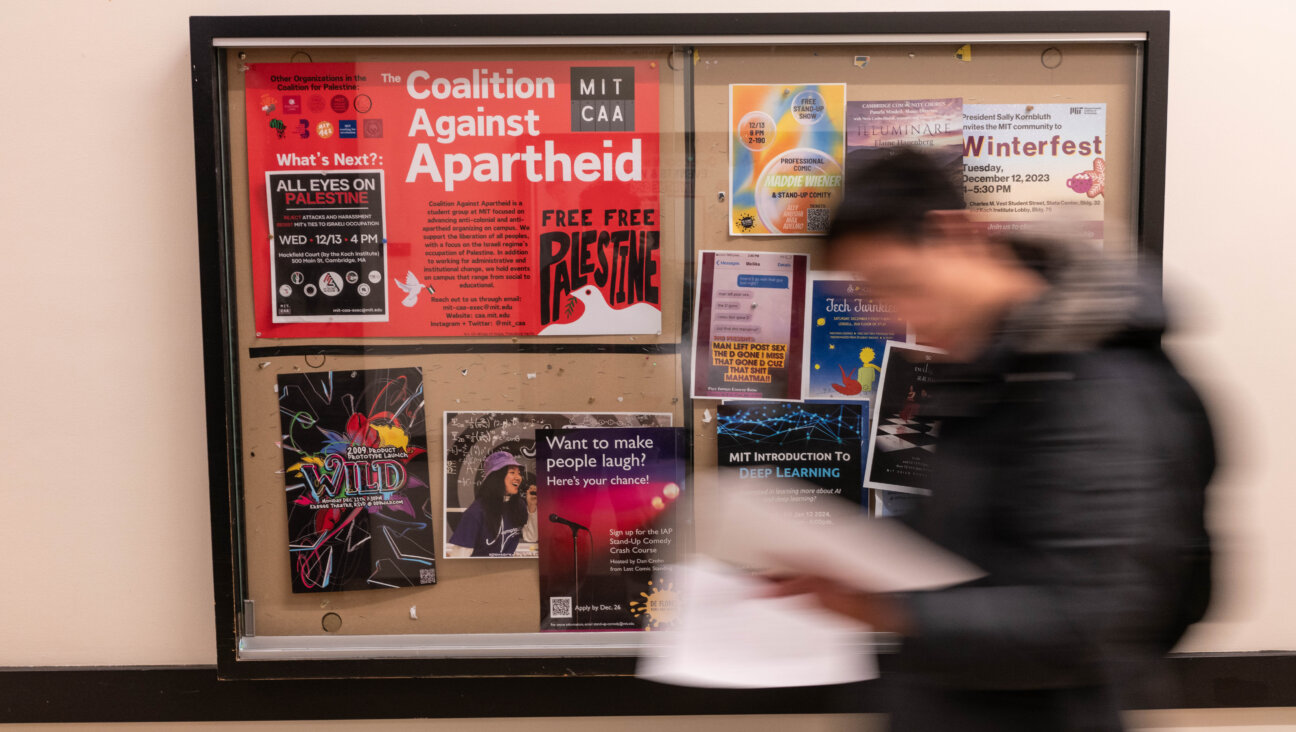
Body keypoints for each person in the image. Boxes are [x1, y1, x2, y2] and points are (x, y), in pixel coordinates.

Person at [770, 148, 1214, 731]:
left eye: (900, 284)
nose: (892, 315)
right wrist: (842, 557)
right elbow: (970, 539)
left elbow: (1091, 617)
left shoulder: (1091, 379)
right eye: (872, 297)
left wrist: (888, 608)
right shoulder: (976, 371)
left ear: (957, 237)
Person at [446, 451, 529, 557]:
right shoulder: (476, 512)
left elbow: (530, 537)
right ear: (497, 477)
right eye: (512, 472)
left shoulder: (518, 505)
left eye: (519, 473)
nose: (518, 477)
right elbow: (458, 558)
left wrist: (532, 509)